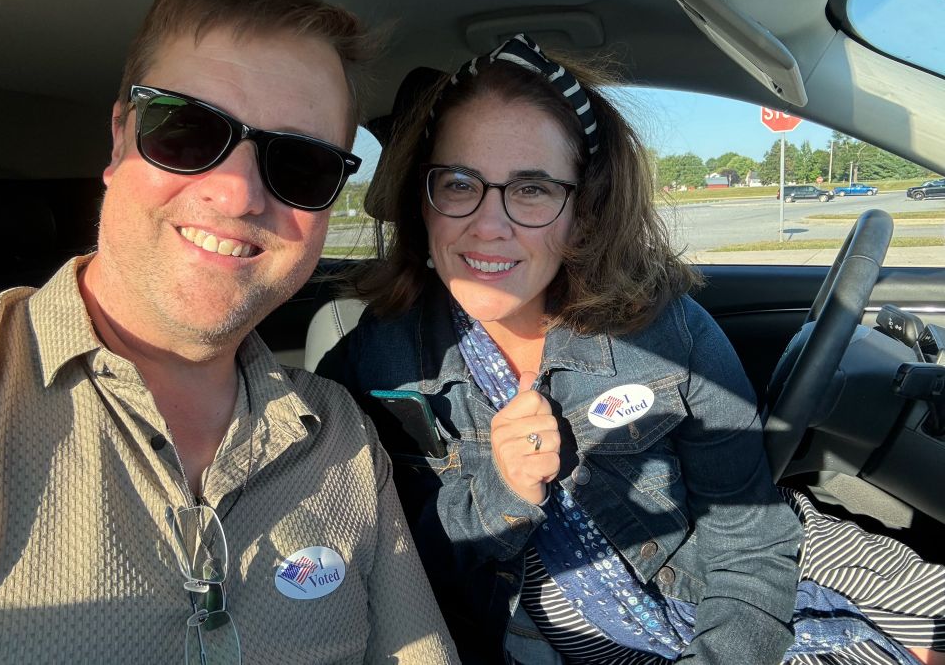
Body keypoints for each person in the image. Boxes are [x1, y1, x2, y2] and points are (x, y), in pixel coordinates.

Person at [318, 34, 945, 665]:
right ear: (423, 200)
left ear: (583, 214)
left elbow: (749, 534)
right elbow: (381, 578)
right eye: (459, 182)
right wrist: (497, 493)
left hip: (730, 567)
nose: (488, 222)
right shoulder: (367, 370)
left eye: (532, 188)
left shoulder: (669, 331)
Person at [0, 0, 457, 664]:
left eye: (300, 164)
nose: (240, 193)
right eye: (187, 132)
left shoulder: (339, 437)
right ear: (120, 138)